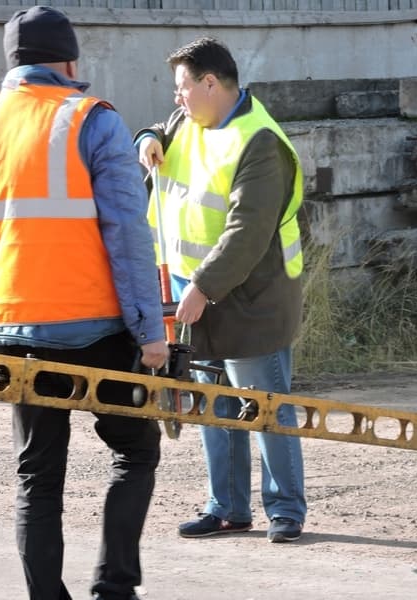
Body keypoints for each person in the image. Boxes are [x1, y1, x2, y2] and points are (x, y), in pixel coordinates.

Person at [0, 6, 168, 600]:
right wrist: (150, 331)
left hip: (11, 329)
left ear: (13, 63)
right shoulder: (91, 119)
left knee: (38, 478)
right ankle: (115, 590)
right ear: (71, 61)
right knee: (134, 452)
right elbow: (128, 232)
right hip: (97, 327)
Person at [134, 37, 307, 543]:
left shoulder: (260, 142)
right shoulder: (190, 122)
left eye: (182, 88)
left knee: (264, 404)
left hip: (253, 297)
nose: (176, 99)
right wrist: (144, 138)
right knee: (214, 403)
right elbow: (156, 129)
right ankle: (227, 508)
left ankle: (286, 510)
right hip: (198, 290)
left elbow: (247, 232)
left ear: (210, 83)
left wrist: (203, 289)